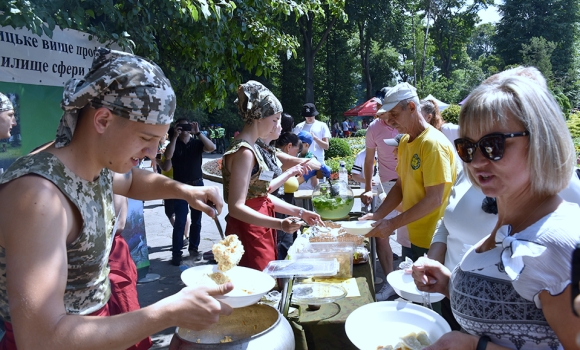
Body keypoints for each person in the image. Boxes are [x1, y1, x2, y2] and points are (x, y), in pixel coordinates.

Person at [0, 48, 233, 349]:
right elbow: (41, 338)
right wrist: (168, 311)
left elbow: (132, 180)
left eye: (159, 141)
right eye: (147, 139)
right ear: (103, 120)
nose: (154, 153)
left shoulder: (95, 165)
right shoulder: (39, 198)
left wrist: (185, 191)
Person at [413, 75, 580, 350]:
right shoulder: (512, 225)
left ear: (540, 140)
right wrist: (450, 286)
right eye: (467, 148)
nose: (477, 161)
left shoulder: (560, 245)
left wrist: (469, 346)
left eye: (494, 145)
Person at [222, 81, 323, 271]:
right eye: (275, 119)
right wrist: (280, 224)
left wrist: (300, 212)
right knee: (258, 282)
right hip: (249, 229)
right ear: (259, 117)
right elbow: (236, 207)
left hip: (258, 224)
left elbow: (262, 195)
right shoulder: (245, 152)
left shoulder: (252, 148)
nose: (277, 125)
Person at [362, 82, 456, 261]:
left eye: (394, 114)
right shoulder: (405, 142)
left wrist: (391, 224)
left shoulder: (432, 144)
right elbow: (400, 184)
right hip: (416, 234)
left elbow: (434, 199)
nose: (389, 121)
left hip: (436, 239)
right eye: (387, 116)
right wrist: (378, 215)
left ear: (412, 107)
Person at [360, 96, 401, 301]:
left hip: (412, 182)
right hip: (389, 184)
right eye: (381, 112)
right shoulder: (374, 128)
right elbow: (369, 160)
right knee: (382, 231)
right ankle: (390, 281)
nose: (386, 117)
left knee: (411, 236)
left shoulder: (405, 122)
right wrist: (368, 187)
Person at [164, 119, 216, 265]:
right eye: (181, 126)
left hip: (197, 185)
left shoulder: (197, 143)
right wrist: (174, 136)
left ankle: (194, 248)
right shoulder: (174, 144)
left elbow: (212, 147)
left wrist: (198, 132)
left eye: (187, 126)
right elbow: (168, 156)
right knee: (180, 221)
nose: (185, 129)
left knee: (196, 221)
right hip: (180, 187)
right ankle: (176, 253)